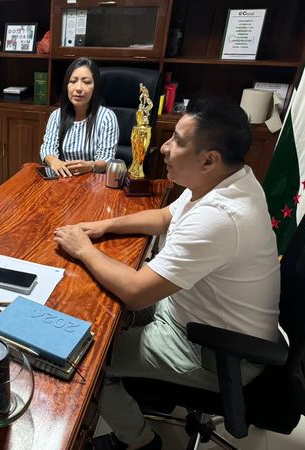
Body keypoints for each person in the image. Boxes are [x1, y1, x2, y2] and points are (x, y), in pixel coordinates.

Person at [54, 98, 280, 450]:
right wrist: (103, 226)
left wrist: (83, 249)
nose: (164, 146)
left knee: (86, 360)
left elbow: (136, 291)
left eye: (177, 140)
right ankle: (143, 391)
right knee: (94, 311)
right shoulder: (228, 179)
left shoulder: (220, 216)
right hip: (192, 312)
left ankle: (138, 440)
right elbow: (165, 217)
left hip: (213, 351)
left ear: (209, 159)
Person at [40, 57, 119, 177]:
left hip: (93, 181)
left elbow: (107, 159)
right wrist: (54, 161)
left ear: (95, 87)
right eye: (73, 81)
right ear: (66, 85)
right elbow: (47, 148)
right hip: (62, 179)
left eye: (86, 82)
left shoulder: (106, 117)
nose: (78, 88)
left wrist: (90, 166)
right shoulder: (57, 115)